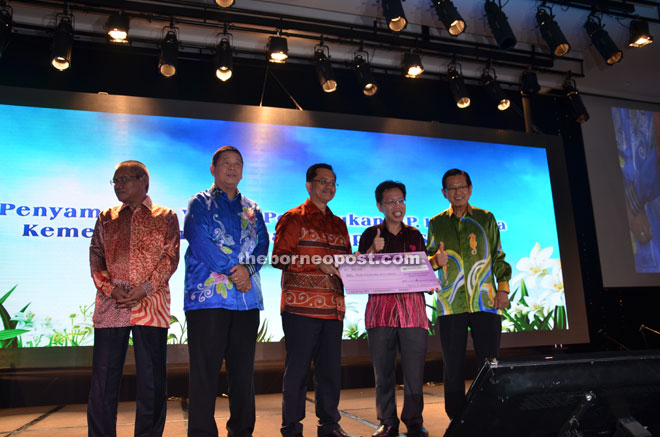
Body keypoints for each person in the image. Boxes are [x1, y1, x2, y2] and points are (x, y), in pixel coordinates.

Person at [88, 160, 180, 437]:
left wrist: (145, 289)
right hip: (112, 304)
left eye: (125, 179)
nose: (119, 185)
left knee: (151, 380)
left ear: (144, 182)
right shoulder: (106, 216)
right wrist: (109, 288)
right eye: (115, 181)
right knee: (103, 379)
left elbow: (170, 257)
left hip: (150, 304)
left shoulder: (165, 216)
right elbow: (96, 256)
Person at [183, 146, 269, 437]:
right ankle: (202, 432)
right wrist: (237, 271)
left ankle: (242, 430)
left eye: (238, 164)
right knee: (205, 372)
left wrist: (249, 271)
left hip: (246, 301)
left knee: (242, 372)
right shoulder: (199, 203)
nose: (232, 169)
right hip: (209, 301)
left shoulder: (253, 208)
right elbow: (200, 242)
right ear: (213, 169)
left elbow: (262, 247)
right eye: (226, 163)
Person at [272, 163, 357, 437]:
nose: (329, 187)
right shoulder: (294, 218)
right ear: (309, 185)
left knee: (330, 372)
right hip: (301, 308)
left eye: (333, 182)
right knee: (297, 371)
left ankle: (329, 425)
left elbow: (344, 263)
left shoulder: (339, 224)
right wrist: (315, 263)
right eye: (323, 181)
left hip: (333, 309)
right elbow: (279, 258)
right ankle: (292, 428)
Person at [426, 168, 511, 421]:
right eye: (451, 188)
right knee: (452, 365)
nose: (457, 192)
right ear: (444, 193)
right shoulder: (436, 222)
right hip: (450, 305)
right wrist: (434, 260)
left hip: (485, 301)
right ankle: (457, 418)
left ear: (470, 189)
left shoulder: (486, 218)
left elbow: (498, 256)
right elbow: (428, 261)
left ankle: (488, 414)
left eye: (461, 186)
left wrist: (503, 289)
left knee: (489, 363)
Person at [357, 181, 429, 437]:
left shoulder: (415, 235)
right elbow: (357, 272)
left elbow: (421, 272)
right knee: (383, 371)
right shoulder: (370, 234)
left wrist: (434, 269)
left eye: (400, 200)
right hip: (381, 312)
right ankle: (387, 422)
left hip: (413, 312)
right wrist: (370, 251)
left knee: (414, 372)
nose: (397, 206)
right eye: (390, 202)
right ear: (379, 206)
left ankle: (414, 421)